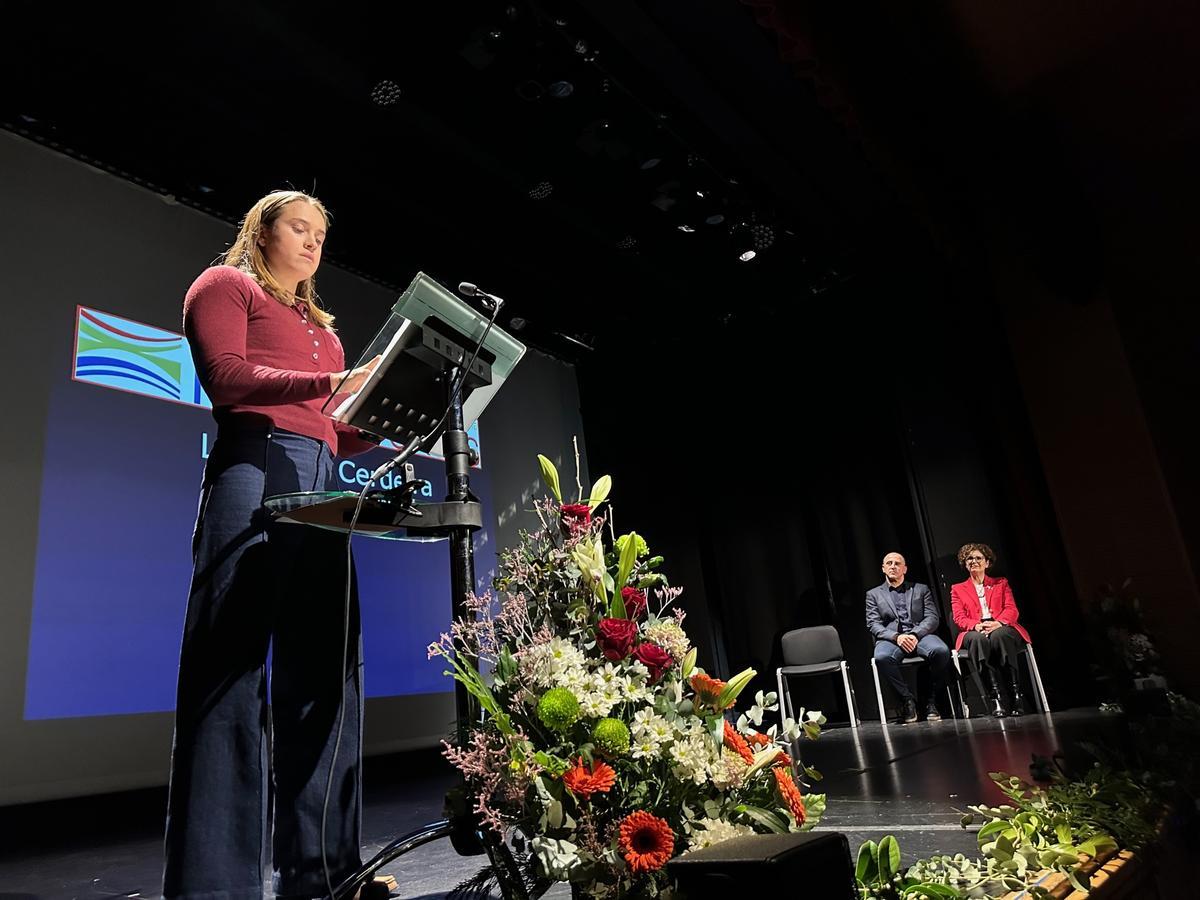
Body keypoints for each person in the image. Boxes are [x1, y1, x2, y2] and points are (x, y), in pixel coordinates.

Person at [163, 190, 382, 899]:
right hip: (252, 468)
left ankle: (324, 873)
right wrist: (332, 384)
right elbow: (226, 379)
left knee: (326, 679)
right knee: (228, 679)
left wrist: (386, 410)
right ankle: (214, 886)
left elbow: (332, 425)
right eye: (300, 227)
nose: (315, 242)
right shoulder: (224, 285)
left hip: (320, 483)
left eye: (323, 232)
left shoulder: (326, 330)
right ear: (263, 230)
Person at [865, 552, 952, 724]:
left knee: (941, 651)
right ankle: (908, 700)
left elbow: (932, 618)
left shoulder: (920, 589)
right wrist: (896, 637)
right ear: (883, 568)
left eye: (897, 563)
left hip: (920, 635)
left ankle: (931, 701)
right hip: (892, 639)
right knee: (881, 657)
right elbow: (873, 624)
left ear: (904, 568)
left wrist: (914, 634)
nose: (893, 566)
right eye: (889, 563)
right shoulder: (873, 594)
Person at [950, 542, 1032, 717]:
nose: (974, 561)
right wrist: (976, 625)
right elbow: (959, 617)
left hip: (1001, 626)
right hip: (974, 628)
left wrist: (999, 623)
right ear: (965, 564)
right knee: (977, 639)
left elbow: (1011, 609)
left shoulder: (1001, 583)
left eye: (978, 558)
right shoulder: (957, 589)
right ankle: (996, 697)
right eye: (969, 558)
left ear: (987, 563)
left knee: (999, 636)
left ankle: (1015, 695)